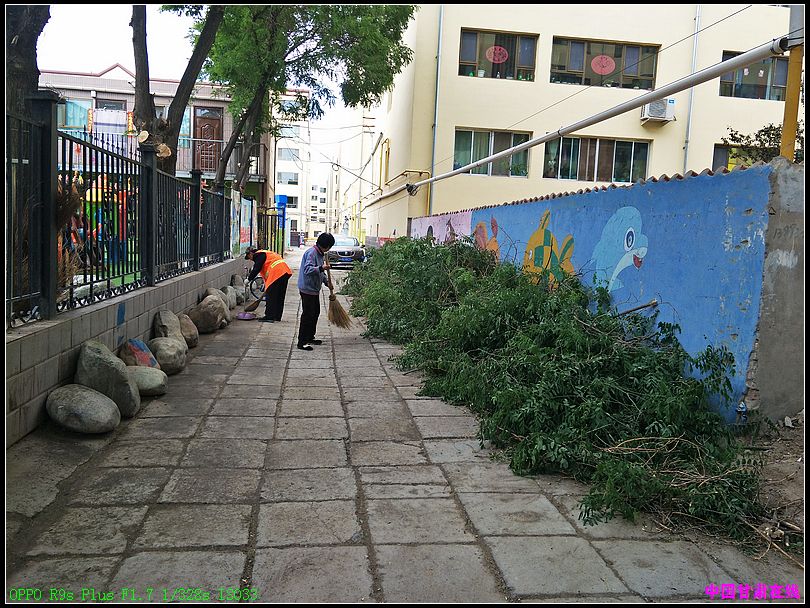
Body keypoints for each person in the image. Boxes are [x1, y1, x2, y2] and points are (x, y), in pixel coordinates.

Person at [296, 232, 334, 351]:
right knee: (307, 315)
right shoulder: (312, 253)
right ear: (326, 246)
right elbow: (308, 269)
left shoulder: (321, 254)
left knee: (315, 313)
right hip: (307, 288)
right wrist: (322, 268)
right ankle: (301, 342)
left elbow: (321, 273)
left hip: (314, 289)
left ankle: (309, 337)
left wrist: (326, 282)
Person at [245, 246, 292, 322]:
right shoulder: (266, 253)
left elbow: (257, 268)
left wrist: (249, 279)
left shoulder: (258, 255)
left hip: (276, 273)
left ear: (251, 253)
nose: (250, 259)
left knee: (271, 296)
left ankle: (269, 316)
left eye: (249, 257)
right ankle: (277, 316)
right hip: (284, 272)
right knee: (279, 296)